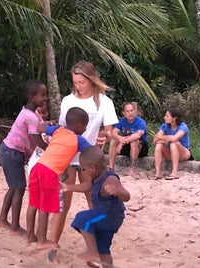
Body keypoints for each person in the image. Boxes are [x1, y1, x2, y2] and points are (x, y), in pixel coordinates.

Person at [53, 61, 119, 246]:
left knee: (95, 203)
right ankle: (53, 246)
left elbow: (109, 129)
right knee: (62, 205)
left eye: (82, 82)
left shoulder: (105, 102)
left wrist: (105, 136)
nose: (78, 86)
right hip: (67, 157)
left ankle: (97, 248)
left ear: (91, 80)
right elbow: (62, 128)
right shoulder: (68, 100)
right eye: (75, 82)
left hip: (90, 159)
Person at [26, 107, 91, 250]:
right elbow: (93, 153)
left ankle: (30, 235)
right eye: (86, 126)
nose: (86, 129)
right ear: (79, 125)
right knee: (45, 206)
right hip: (50, 172)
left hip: (38, 167)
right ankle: (42, 240)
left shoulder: (58, 130)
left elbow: (39, 127)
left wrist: (48, 123)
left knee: (33, 203)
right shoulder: (78, 139)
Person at [63, 146, 130, 266]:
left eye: (83, 169)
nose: (83, 171)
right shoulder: (96, 177)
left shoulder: (110, 179)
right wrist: (69, 187)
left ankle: (91, 251)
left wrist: (117, 191)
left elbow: (127, 196)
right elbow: (87, 186)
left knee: (82, 219)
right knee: (103, 249)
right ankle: (101, 259)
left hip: (108, 216)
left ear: (93, 168)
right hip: (103, 217)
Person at [0, 80, 47, 235]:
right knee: (19, 188)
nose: (45, 98)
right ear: (32, 97)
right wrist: (50, 150)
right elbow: (37, 138)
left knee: (14, 186)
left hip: (11, 152)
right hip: (12, 152)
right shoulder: (30, 116)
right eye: (42, 95)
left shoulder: (31, 113)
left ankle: (3, 218)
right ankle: (15, 226)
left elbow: (41, 126)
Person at [108, 102, 148, 177]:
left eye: (132, 110)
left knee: (134, 141)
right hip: (127, 146)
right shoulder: (121, 121)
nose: (130, 113)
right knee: (113, 140)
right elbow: (113, 132)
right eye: (128, 111)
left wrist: (122, 142)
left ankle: (133, 169)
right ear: (124, 113)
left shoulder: (141, 122)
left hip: (141, 147)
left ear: (134, 111)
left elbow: (137, 135)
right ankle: (111, 167)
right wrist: (119, 138)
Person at [153, 108, 192, 180]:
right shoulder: (165, 126)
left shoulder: (183, 126)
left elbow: (174, 138)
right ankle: (157, 173)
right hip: (171, 152)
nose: (165, 118)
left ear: (174, 118)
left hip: (183, 152)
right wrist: (165, 139)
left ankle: (174, 172)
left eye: (167, 116)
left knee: (173, 143)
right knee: (159, 146)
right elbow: (155, 140)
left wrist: (162, 137)